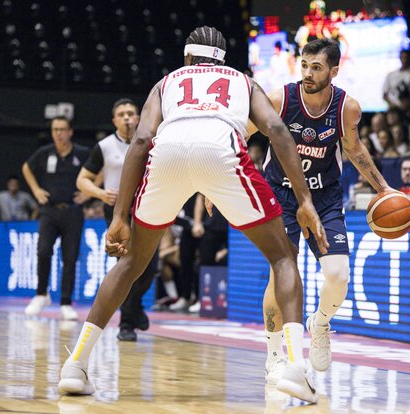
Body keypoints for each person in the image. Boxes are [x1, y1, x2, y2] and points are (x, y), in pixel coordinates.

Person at [58, 26, 328, 404]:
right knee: (283, 256)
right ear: (223, 60)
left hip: (167, 152)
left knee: (132, 262)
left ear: (187, 57)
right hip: (221, 149)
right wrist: (305, 200)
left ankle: (76, 364)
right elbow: (277, 130)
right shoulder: (242, 81)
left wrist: (120, 216)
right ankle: (296, 368)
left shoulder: (166, 82)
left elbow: (141, 140)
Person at [246, 38, 397, 385]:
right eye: (304, 65)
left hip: (324, 198)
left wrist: (383, 189)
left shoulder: (346, 107)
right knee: (280, 273)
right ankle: (274, 356)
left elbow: (354, 149)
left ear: (334, 71)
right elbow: (241, 131)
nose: (308, 73)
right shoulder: (280, 99)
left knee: (338, 275)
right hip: (281, 195)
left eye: (316, 67)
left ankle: (320, 323)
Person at [76, 98, 157, 342]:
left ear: (139, 118)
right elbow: (82, 180)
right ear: (114, 121)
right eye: (121, 114)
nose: (127, 117)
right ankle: (126, 324)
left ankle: (136, 306)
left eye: (130, 113)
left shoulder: (152, 141)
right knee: (127, 265)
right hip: (117, 212)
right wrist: (100, 193)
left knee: (150, 268)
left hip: (147, 207)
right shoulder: (104, 146)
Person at [22, 116, 90, 320]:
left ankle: (66, 303)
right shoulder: (44, 153)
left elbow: (100, 170)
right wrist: (36, 190)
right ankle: (41, 294)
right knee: (43, 251)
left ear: (70, 132)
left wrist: (89, 193)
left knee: (70, 258)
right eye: (55, 129)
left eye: (62, 129)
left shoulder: (82, 153)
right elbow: (26, 168)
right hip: (49, 210)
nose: (58, 133)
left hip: (73, 211)